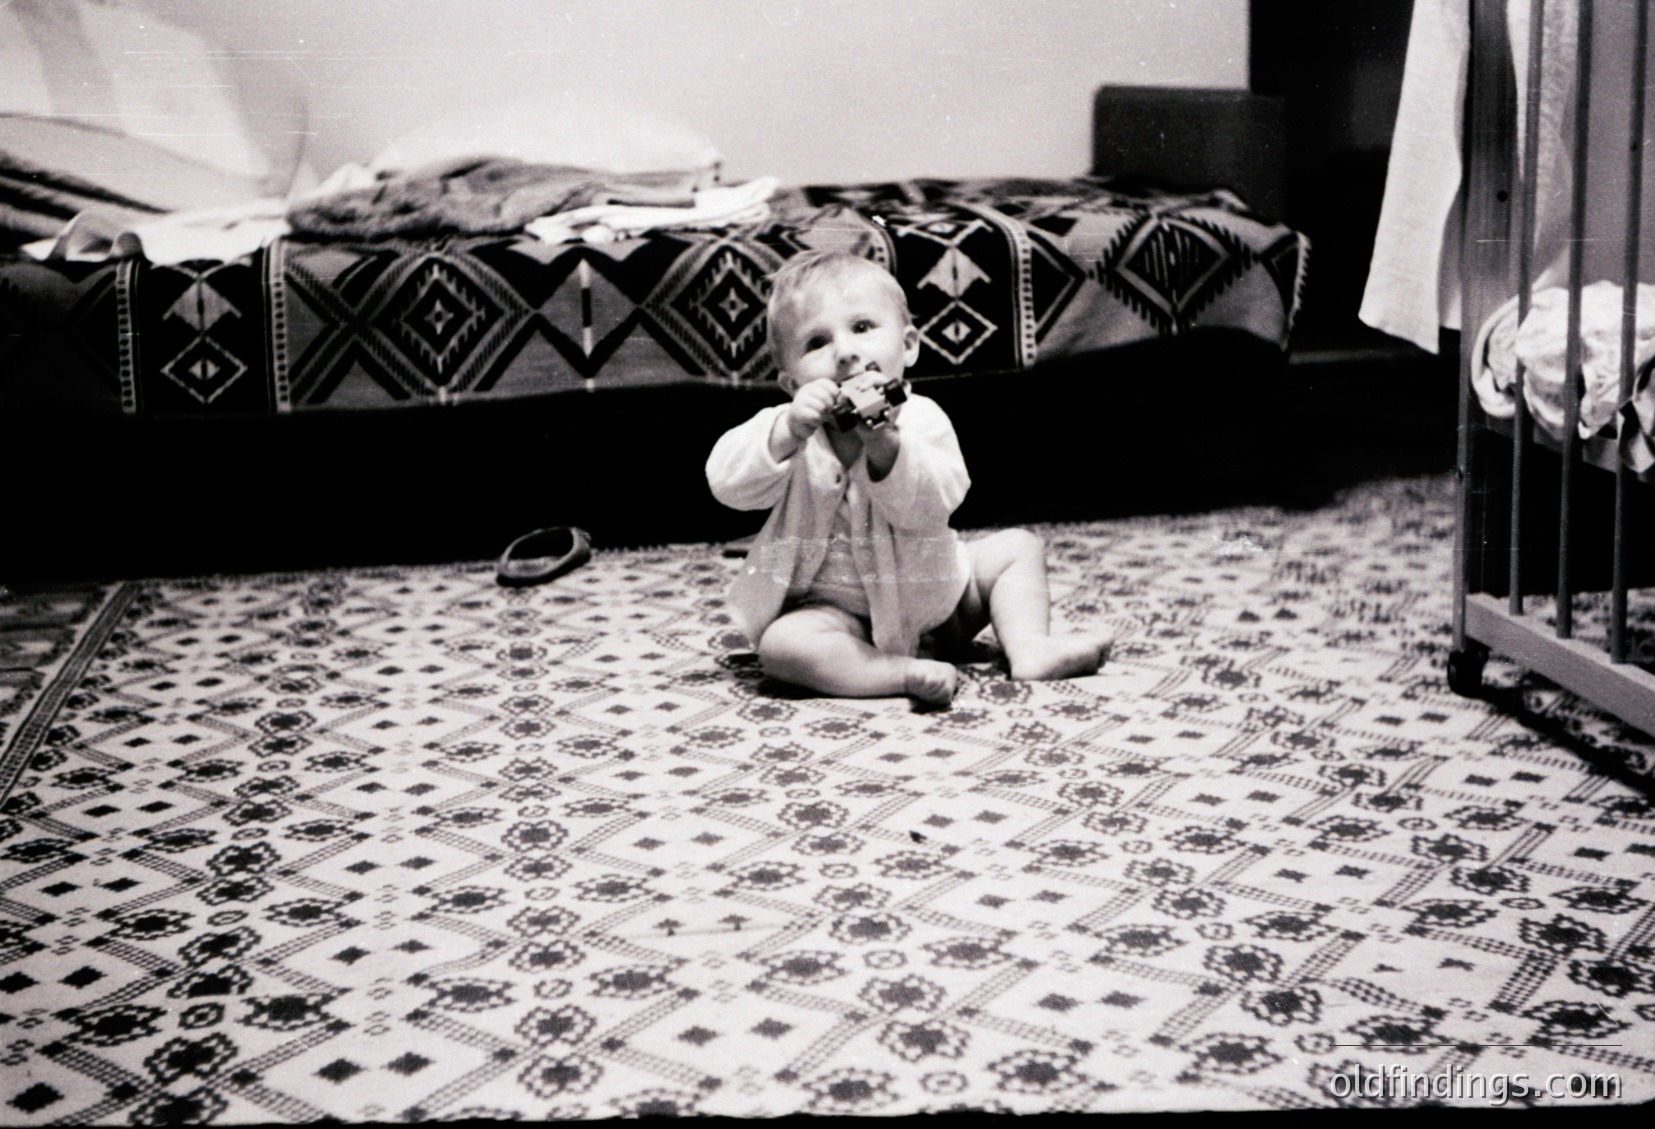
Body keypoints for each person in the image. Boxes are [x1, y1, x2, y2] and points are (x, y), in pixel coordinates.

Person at [705, 250, 1112, 707]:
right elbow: (727, 485)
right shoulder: (788, 428)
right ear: (790, 384)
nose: (845, 353)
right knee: (782, 648)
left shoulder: (922, 420)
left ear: (909, 345)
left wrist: (887, 446)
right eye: (816, 342)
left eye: (862, 328)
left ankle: (1031, 646)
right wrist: (785, 433)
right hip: (837, 614)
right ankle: (896, 672)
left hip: (943, 600)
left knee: (1018, 548)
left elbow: (933, 507)